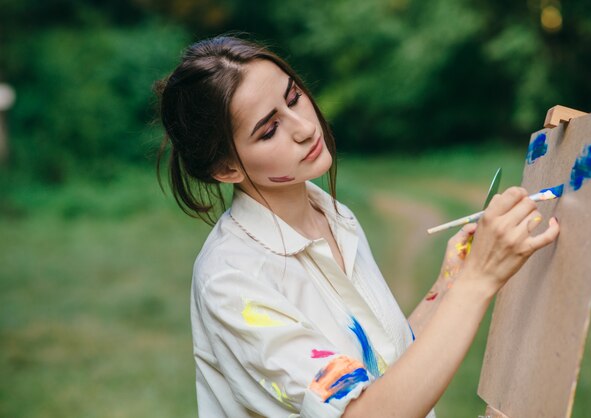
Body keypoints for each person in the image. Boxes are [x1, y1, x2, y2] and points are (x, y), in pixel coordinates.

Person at [154, 36, 560, 418]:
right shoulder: (232, 280)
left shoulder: (332, 213)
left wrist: (451, 283)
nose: (305, 128)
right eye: (270, 129)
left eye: (294, 97)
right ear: (225, 168)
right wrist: (480, 282)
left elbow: (381, 366)